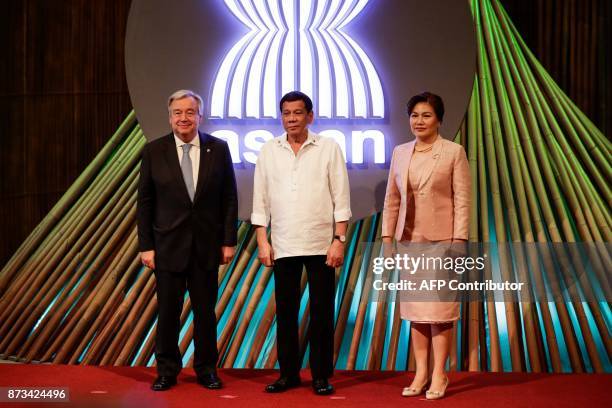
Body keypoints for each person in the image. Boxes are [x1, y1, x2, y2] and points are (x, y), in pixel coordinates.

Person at [251, 91, 351, 396]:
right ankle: (289, 374)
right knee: (286, 312)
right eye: (286, 113)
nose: (291, 119)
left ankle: (321, 375)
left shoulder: (329, 147)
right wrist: (262, 240)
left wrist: (339, 240)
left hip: (322, 243)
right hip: (282, 244)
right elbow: (260, 200)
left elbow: (342, 198)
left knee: (322, 313)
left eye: (297, 113)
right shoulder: (269, 150)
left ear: (310, 115)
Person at [137, 89, 238, 391]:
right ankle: (167, 370)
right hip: (166, 247)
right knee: (167, 312)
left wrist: (228, 240)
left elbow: (229, 198)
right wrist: (146, 246)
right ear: (170, 118)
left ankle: (206, 369)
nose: (184, 117)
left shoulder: (218, 149)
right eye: (178, 112)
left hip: (206, 247)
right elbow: (145, 202)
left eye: (190, 112)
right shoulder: (154, 151)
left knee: (205, 313)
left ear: (200, 116)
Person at [381, 92, 470, 400]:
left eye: (426, 115)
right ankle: (420, 372)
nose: (419, 121)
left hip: (441, 243)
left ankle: (439, 374)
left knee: (439, 312)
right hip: (409, 244)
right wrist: (387, 239)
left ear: (439, 119)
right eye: (415, 115)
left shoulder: (453, 152)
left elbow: (462, 199)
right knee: (417, 313)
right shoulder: (401, 152)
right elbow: (392, 200)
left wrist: (459, 240)